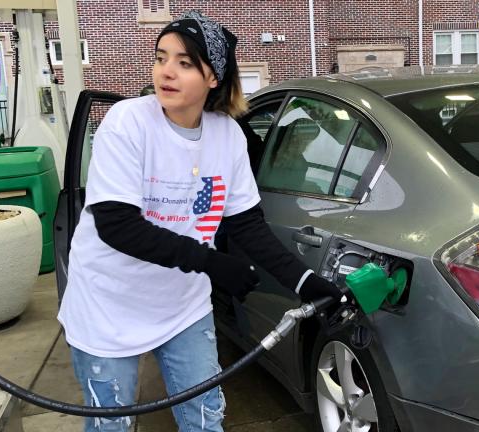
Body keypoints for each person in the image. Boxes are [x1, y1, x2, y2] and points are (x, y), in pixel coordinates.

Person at [57, 10, 342, 432]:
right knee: (110, 424)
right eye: (161, 57)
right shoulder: (128, 123)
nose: (166, 71)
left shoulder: (226, 135)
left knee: (205, 417)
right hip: (108, 302)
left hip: (181, 305)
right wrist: (214, 264)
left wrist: (304, 282)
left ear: (213, 78)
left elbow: (247, 225)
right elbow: (116, 225)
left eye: (185, 63)